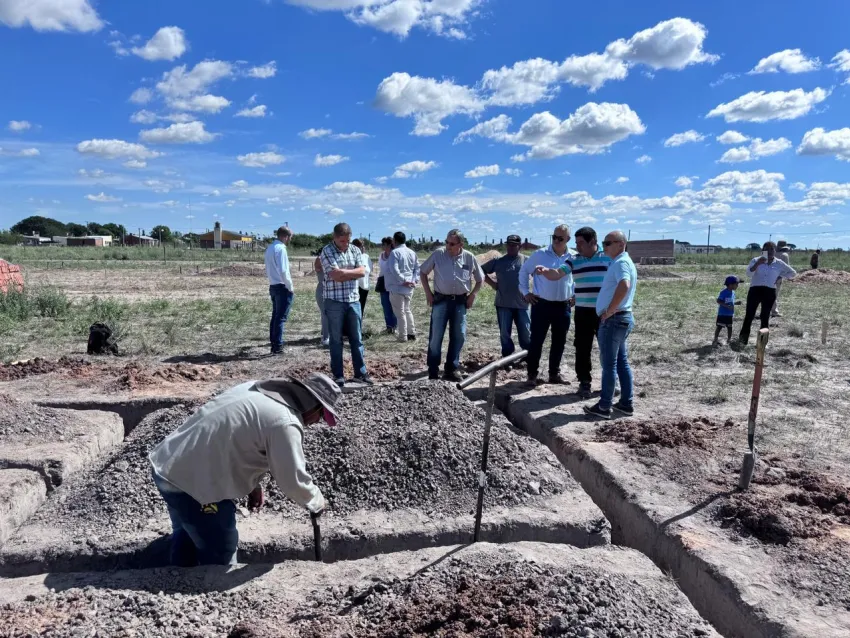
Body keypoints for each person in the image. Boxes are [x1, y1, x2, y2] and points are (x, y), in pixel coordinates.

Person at [149, 373, 339, 567]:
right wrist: (315, 501)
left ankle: (179, 579)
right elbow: (292, 479)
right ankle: (214, 591)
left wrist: (254, 485)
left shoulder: (256, 389)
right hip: (191, 487)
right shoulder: (285, 422)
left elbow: (238, 439)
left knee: (189, 531)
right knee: (221, 548)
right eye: (322, 416)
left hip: (167, 465)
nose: (318, 422)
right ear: (312, 405)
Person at [535, 226, 611, 398]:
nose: (578, 247)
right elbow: (557, 274)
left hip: (604, 313)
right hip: (583, 312)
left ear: (593, 242)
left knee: (607, 349)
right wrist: (546, 271)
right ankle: (585, 383)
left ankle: (610, 383)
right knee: (582, 348)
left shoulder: (607, 258)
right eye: (576, 243)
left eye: (581, 243)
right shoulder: (574, 260)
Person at [582, 231, 637, 420]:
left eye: (608, 243)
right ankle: (625, 403)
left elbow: (624, 285)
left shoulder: (621, 262)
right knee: (621, 362)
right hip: (622, 318)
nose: (604, 247)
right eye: (604, 243)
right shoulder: (623, 261)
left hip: (614, 319)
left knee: (609, 365)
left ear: (621, 244)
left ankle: (604, 406)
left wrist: (610, 311)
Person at [420, 229, 483, 382]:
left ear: (461, 244)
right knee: (436, 337)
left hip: (460, 302)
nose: (448, 246)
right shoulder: (438, 254)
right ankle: (433, 371)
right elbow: (423, 272)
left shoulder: (469, 257)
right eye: (446, 242)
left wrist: (472, 295)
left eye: (452, 243)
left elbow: (480, 279)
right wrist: (428, 293)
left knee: (459, 335)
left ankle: (451, 369)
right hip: (441, 301)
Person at [520, 224, 574, 386]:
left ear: (568, 240)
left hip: (563, 306)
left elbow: (578, 277)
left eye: (560, 238)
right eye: (554, 237)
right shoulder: (540, 254)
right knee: (536, 340)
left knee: (559, 341)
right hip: (541, 305)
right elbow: (524, 272)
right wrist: (525, 292)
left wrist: (576, 295)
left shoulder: (573, 256)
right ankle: (531, 374)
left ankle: (554, 374)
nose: (556, 241)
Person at [320, 223, 373, 386]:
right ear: (334, 237)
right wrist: (351, 273)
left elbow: (362, 271)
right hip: (334, 301)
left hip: (353, 300)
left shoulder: (355, 250)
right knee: (336, 340)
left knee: (357, 339)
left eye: (347, 241)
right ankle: (338, 375)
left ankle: (361, 373)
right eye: (342, 241)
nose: (345, 244)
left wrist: (345, 272)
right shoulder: (327, 251)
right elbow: (336, 276)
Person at [482, 234, 530, 362]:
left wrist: (532, 292)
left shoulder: (526, 261)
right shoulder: (499, 261)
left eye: (514, 244)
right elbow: (481, 271)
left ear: (519, 246)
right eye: (509, 244)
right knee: (504, 334)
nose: (511, 247)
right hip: (503, 304)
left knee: (526, 333)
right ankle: (507, 358)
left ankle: (527, 357)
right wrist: (493, 285)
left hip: (522, 304)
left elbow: (540, 276)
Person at [739, 241, 797, 345]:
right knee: (749, 315)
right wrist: (758, 264)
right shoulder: (756, 260)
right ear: (762, 251)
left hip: (769, 292)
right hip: (755, 290)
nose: (769, 252)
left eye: (771, 249)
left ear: (775, 251)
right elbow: (748, 274)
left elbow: (793, 273)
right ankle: (743, 341)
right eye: (766, 249)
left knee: (765, 316)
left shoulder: (778, 263)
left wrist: (780, 276)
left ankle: (762, 343)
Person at [385, 231, 420, 343]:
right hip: (409, 287)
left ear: (394, 241)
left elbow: (394, 269)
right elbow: (417, 269)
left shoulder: (395, 253)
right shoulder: (412, 252)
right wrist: (413, 280)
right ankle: (411, 333)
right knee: (407, 310)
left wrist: (403, 280)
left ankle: (403, 336)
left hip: (397, 287)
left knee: (400, 313)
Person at [264, 226, 294, 355]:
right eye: (290, 237)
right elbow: (283, 271)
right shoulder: (281, 249)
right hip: (282, 286)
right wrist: (290, 286)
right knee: (281, 318)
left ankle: (274, 343)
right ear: (285, 236)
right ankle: (277, 346)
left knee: (275, 317)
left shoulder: (270, 248)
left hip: (273, 285)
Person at [376, 237, 398, 335]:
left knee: (394, 305)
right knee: (385, 305)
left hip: (393, 282)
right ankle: (389, 327)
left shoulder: (395, 255)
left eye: (384, 244)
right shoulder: (381, 255)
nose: (382, 246)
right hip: (383, 282)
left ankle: (395, 326)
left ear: (389, 245)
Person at [714, 275, 742, 345]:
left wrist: (736, 303)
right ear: (730, 285)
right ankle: (715, 339)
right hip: (722, 314)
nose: (737, 286)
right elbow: (719, 301)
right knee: (719, 327)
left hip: (730, 314)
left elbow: (730, 302)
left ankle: (729, 340)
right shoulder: (723, 292)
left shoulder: (733, 293)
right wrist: (726, 306)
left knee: (730, 327)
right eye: (736, 284)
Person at [351, 238, 371, 317]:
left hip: (365, 285)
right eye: (360, 246)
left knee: (362, 307)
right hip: (356, 285)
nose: (362, 248)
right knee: (356, 307)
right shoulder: (352, 256)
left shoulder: (366, 257)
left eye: (363, 246)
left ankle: (359, 325)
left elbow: (369, 269)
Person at [771, 240, 791, 318]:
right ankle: (774, 311)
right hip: (778, 277)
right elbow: (786, 268)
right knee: (774, 294)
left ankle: (766, 310)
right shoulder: (785, 255)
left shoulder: (771, 253)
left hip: (768, 276)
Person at [313, 256, 330, 347]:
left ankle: (325, 334)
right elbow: (318, 263)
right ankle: (325, 337)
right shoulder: (320, 259)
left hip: (328, 291)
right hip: (322, 291)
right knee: (325, 313)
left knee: (326, 314)